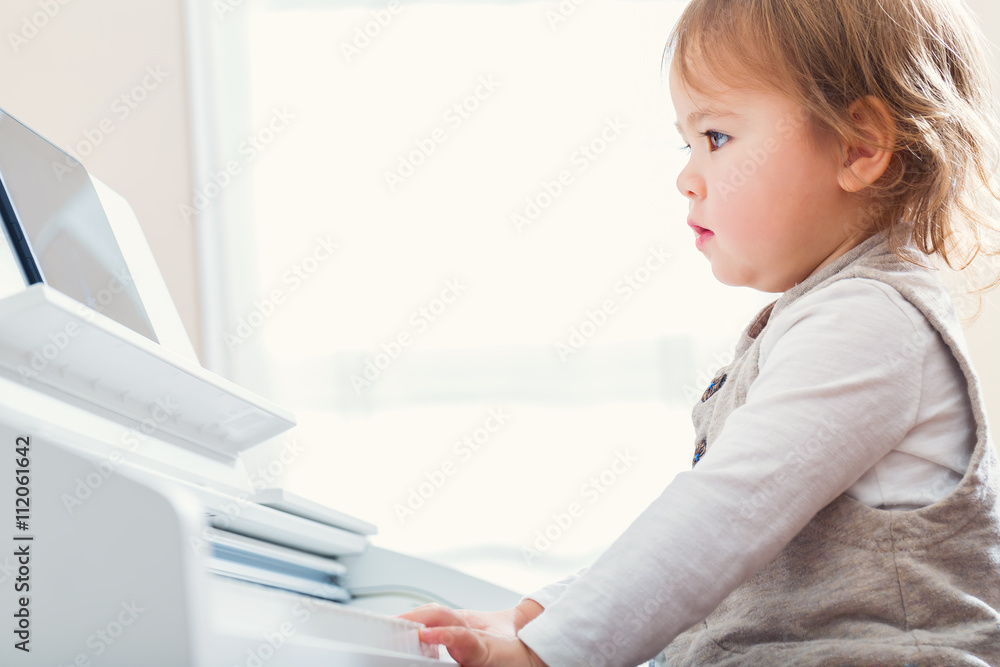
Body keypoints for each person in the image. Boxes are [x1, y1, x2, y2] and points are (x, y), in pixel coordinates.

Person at [400, 0, 1000, 664]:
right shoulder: (822, 316)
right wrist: (534, 616)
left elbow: (722, 513)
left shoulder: (875, 322)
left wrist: (550, 651)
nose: (686, 178)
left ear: (858, 146)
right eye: (688, 143)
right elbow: (700, 542)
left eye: (715, 138)